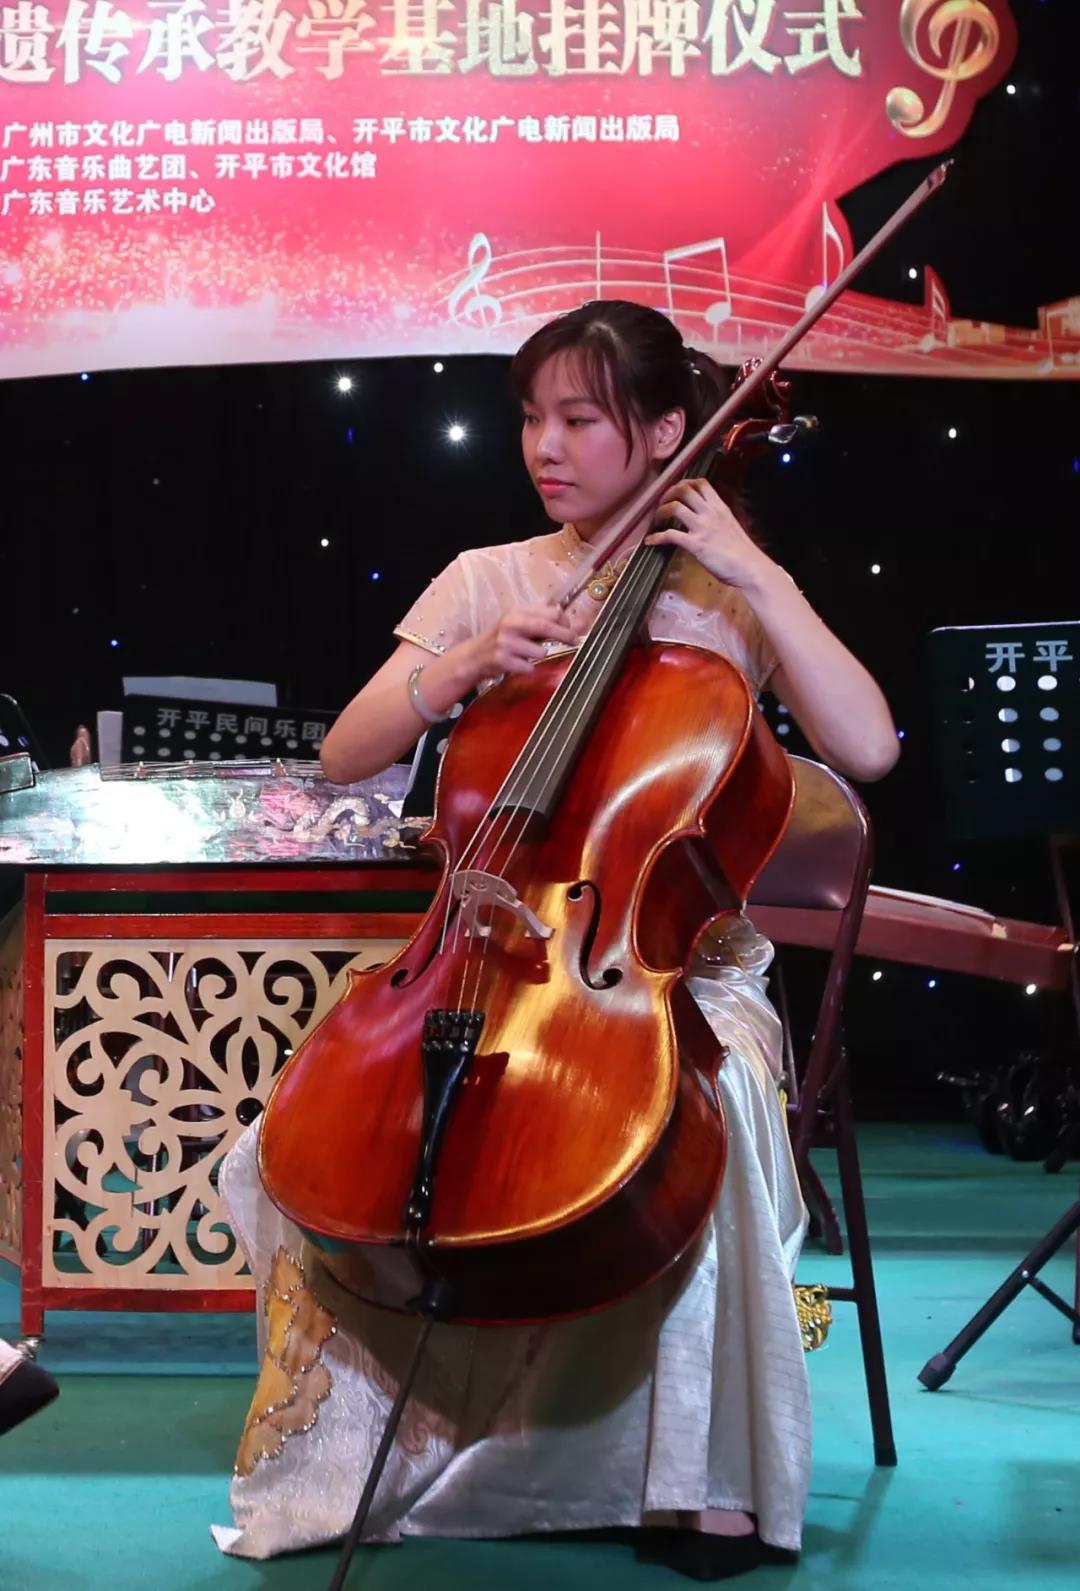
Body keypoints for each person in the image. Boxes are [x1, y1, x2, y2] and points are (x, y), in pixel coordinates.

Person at [212, 301, 898, 1577]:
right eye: (533, 417)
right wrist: (465, 663)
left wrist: (756, 571)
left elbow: (866, 747)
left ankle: (702, 1484)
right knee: (300, 1145)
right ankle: (382, 1459)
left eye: (581, 419)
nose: (545, 446)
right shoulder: (491, 576)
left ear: (669, 433)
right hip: (479, 952)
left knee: (706, 1127)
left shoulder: (729, 591)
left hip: (667, 972)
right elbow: (346, 753)